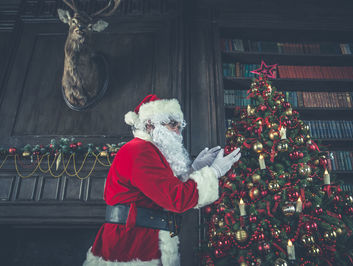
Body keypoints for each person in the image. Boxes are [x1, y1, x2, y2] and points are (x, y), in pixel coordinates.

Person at [83, 94, 241, 266]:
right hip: (131, 244)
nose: (178, 132)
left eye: (180, 127)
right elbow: (175, 198)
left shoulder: (149, 151)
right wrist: (214, 171)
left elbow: (163, 190)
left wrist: (194, 170)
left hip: (141, 239)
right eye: (173, 125)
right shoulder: (140, 151)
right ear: (150, 124)